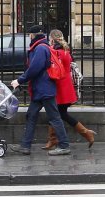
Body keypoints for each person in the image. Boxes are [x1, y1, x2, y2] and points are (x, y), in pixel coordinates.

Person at [9, 24, 71, 156]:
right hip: (40, 89)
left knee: (54, 118)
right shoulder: (40, 47)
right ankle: (25, 146)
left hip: (44, 89)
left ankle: (64, 145)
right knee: (31, 115)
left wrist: (19, 80)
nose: (29, 37)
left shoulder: (41, 48)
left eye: (29, 35)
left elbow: (34, 68)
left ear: (32, 35)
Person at [41, 29, 97, 149]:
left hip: (60, 87)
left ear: (52, 39)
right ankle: (54, 139)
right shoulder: (66, 51)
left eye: (49, 39)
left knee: (58, 114)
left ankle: (86, 133)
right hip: (66, 87)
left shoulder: (56, 52)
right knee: (58, 114)